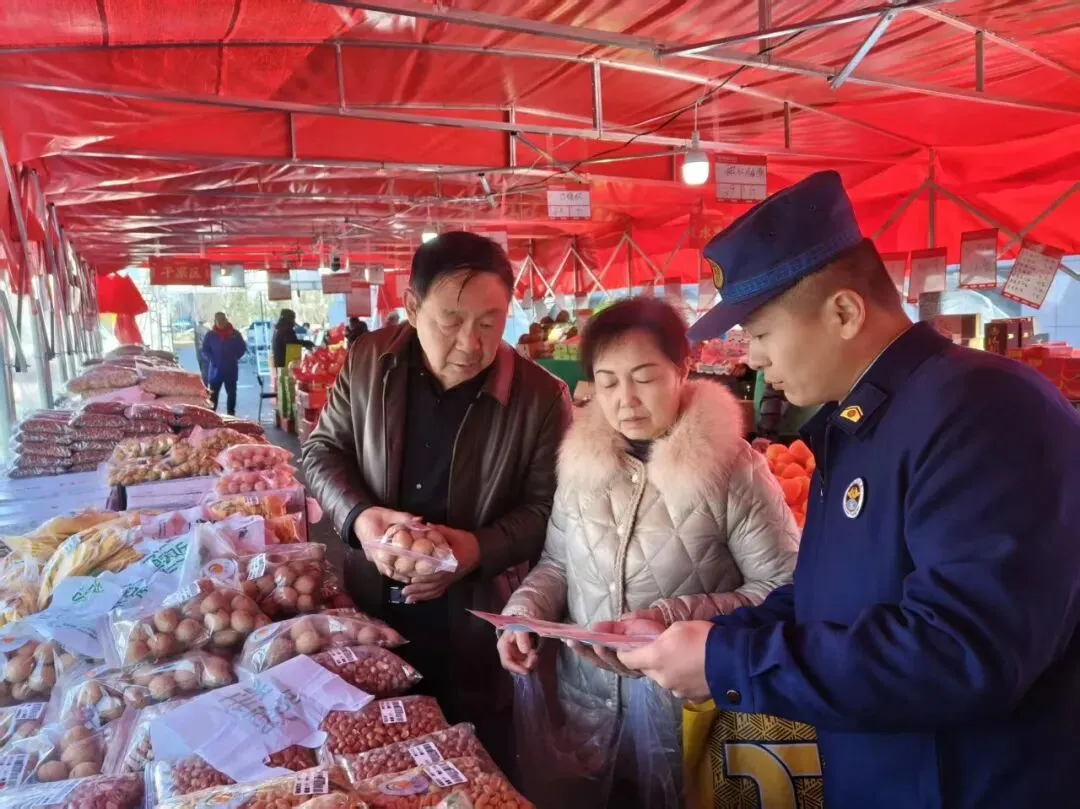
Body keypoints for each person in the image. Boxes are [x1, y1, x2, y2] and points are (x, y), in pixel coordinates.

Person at [617, 171, 1080, 809]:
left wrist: (730, 663)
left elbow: (961, 650)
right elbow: (828, 601)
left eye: (760, 333)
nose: (751, 358)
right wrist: (696, 635)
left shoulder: (983, 408)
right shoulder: (862, 422)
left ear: (844, 312)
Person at [497, 298, 799, 806]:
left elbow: (784, 587)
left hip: (687, 714)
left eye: (644, 378)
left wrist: (674, 617)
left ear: (683, 368)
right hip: (588, 705)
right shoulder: (580, 464)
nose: (626, 400)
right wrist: (522, 615)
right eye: (608, 382)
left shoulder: (733, 469)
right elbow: (557, 563)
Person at [301, 231, 573, 770]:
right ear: (412, 306)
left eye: (490, 322)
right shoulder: (368, 361)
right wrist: (360, 518)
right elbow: (322, 450)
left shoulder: (542, 399)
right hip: (371, 611)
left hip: (476, 627)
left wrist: (476, 550)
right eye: (451, 321)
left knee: (478, 770)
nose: (471, 343)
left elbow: (551, 510)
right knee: (372, 764)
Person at [200, 312, 247, 416]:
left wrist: (235, 357)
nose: (221, 323)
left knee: (231, 393)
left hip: (230, 368)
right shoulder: (210, 335)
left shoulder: (234, 334)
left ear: (226, 320)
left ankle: (231, 413)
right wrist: (211, 358)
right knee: (213, 394)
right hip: (215, 369)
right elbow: (204, 350)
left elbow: (242, 347)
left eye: (223, 320)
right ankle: (211, 415)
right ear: (215, 321)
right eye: (219, 321)